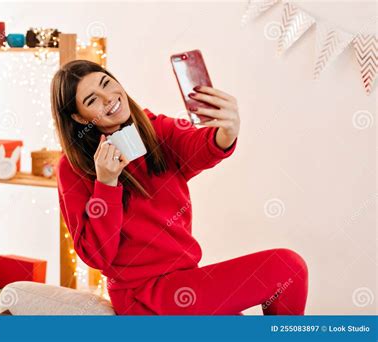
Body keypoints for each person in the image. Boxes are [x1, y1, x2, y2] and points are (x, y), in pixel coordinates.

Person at [50, 60, 308, 315]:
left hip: (185, 280)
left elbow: (198, 147)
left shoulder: (155, 129)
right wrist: (106, 184)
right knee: (287, 267)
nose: (108, 98)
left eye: (107, 83)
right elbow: (97, 256)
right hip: (142, 296)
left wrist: (226, 133)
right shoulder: (72, 168)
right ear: (78, 117)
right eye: (91, 100)